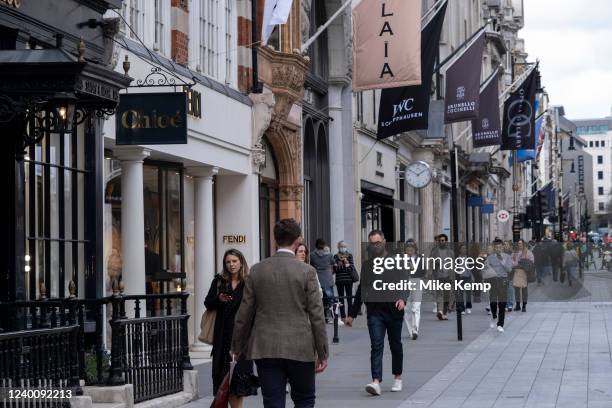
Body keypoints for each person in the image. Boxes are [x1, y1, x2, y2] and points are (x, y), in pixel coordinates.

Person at [231, 219, 328, 408]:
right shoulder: (307, 271)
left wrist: (237, 346)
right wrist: (322, 351)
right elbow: (317, 315)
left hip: (266, 347)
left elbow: (244, 313)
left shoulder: (257, 270)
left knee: (273, 402)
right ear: (298, 240)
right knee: (304, 400)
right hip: (300, 347)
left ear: (275, 240)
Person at [345, 230, 407, 396]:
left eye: (378, 242)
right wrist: (351, 314)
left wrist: (402, 298)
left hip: (394, 310)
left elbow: (405, 282)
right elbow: (361, 291)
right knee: (376, 345)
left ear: (384, 242)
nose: (375, 246)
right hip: (375, 313)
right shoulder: (367, 265)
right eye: (372, 243)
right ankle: (376, 381)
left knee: (395, 345)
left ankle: (398, 377)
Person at [205, 249, 254, 407]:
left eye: (234, 261)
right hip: (222, 338)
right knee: (222, 385)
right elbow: (208, 302)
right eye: (228, 262)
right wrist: (219, 299)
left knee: (238, 385)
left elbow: (254, 307)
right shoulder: (220, 281)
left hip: (241, 339)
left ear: (241, 262)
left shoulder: (248, 282)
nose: (231, 265)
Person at [485, 238, 513, 333]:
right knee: (493, 301)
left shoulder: (507, 257)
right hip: (493, 280)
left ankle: (500, 324)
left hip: (503, 280)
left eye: (500, 247)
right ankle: (494, 316)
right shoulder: (490, 258)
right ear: (494, 248)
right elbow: (486, 269)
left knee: (502, 303)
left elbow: (509, 269)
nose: (498, 249)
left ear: (502, 247)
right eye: (496, 247)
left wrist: (503, 262)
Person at [310, 238, 336, 323]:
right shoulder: (329, 255)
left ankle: (323, 317)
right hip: (328, 278)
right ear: (324, 245)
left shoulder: (312, 255)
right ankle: (333, 316)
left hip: (318, 278)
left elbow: (311, 264)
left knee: (319, 299)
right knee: (330, 299)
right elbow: (333, 262)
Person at [404, 239, 425, 340]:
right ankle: (411, 331)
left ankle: (415, 329)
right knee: (406, 308)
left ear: (415, 249)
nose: (410, 250)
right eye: (408, 248)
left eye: (411, 248)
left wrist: (414, 268)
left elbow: (424, 271)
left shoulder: (420, 258)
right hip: (405, 282)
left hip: (417, 281)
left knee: (416, 306)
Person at [430, 234, 454, 320]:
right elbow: (431, 262)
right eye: (440, 240)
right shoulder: (434, 251)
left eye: (443, 240)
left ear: (446, 241)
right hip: (438, 276)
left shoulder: (450, 252)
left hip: (448, 276)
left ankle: (444, 313)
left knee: (446, 296)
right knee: (439, 294)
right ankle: (439, 311)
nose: (441, 242)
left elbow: (453, 265)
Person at [333, 240, 356, 324]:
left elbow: (351, 268)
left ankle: (350, 316)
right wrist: (344, 266)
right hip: (339, 280)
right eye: (341, 246)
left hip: (349, 280)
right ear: (338, 247)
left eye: (344, 246)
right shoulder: (335, 256)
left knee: (349, 299)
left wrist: (345, 264)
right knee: (341, 299)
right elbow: (335, 270)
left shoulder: (349, 256)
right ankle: (343, 317)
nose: (343, 248)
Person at [511, 239, 533, 312]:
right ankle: (517, 305)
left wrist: (525, 263)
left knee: (524, 290)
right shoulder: (515, 252)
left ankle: (524, 305)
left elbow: (532, 261)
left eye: (521, 243)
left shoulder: (528, 252)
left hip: (524, 273)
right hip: (517, 272)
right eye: (518, 243)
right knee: (516, 289)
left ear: (523, 244)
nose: (519, 245)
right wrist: (517, 263)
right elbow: (511, 261)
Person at [456, 244, 474, 315]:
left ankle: (468, 307)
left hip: (467, 277)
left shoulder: (469, 258)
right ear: (460, 250)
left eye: (465, 248)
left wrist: (472, 276)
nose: (464, 250)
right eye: (462, 248)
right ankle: (462, 308)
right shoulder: (457, 258)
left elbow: (472, 267)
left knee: (468, 293)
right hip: (460, 278)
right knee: (460, 293)